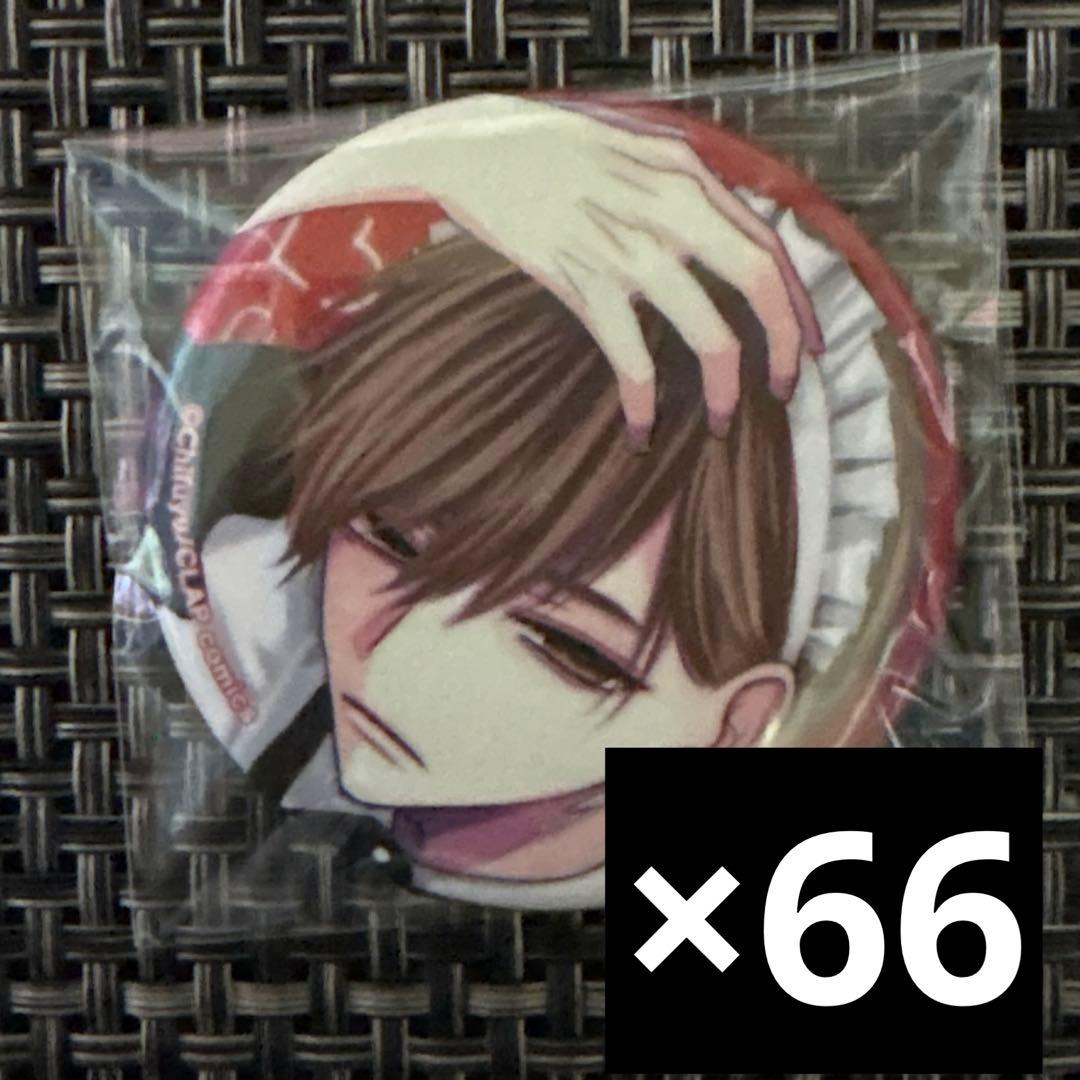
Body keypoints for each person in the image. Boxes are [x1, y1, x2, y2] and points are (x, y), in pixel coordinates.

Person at [130, 94, 914, 907]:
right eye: (391, 537)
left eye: (569, 648)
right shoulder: (242, 601)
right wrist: (446, 170)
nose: (404, 665)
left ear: (738, 724)